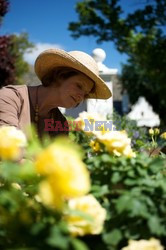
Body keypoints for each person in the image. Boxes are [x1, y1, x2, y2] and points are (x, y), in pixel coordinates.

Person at [0, 49, 112, 138]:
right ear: (60, 75)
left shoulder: (60, 122)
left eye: (85, 94)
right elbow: (8, 151)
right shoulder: (10, 97)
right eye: (79, 86)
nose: (81, 96)